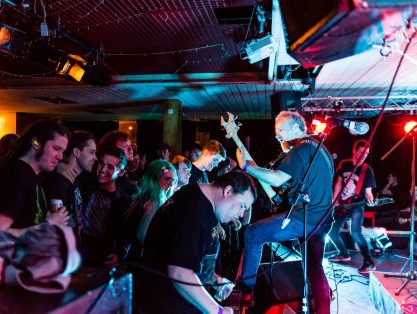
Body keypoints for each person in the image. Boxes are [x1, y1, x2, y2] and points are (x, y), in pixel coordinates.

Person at [235, 111, 334, 314]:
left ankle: (245, 291)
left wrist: (245, 166)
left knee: (252, 233)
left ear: (297, 127)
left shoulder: (301, 150)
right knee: (314, 269)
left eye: (280, 130)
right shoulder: (321, 149)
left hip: (303, 219)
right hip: (323, 220)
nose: (277, 135)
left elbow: (277, 179)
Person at [135, 170, 256, 314]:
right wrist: (218, 311)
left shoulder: (200, 197)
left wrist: (214, 278)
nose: (242, 214)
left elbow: (185, 254)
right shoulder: (195, 214)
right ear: (228, 191)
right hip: (161, 303)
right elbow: (180, 272)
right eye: (242, 206)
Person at [0, 120, 69, 236]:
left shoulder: (31, 176)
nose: (60, 157)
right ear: (36, 143)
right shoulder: (15, 175)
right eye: (56, 148)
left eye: (63, 151)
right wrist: (48, 224)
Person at [329, 139, 376, 273]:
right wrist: (335, 200)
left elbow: (368, 192)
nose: (364, 155)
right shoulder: (344, 164)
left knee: (355, 232)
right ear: (354, 150)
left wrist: (371, 200)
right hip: (342, 204)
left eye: (367, 153)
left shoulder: (367, 170)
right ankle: (344, 254)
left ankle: (369, 262)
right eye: (362, 152)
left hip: (357, 204)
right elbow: (338, 183)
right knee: (332, 232)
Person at [41, 130, 97, 239]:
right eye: (92, 152)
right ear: (76, 152)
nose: (95, 157)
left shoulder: (76, 180)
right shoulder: (60, 182)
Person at [81, 147, 131, 266]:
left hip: (103, 261)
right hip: (79, 257)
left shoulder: (124, 202)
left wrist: (118, 254)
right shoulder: (85, 187)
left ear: (120, 172)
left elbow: (127, 234)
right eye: (101, 164)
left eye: (110, 167)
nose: (103, 169)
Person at [122, 159, 177, 261]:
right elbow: (141, 235)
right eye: (167, 179)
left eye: (173, 180)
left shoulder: (146, 196)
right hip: (139, 260)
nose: (170, 184)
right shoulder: (154, 200)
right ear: (154, 178)